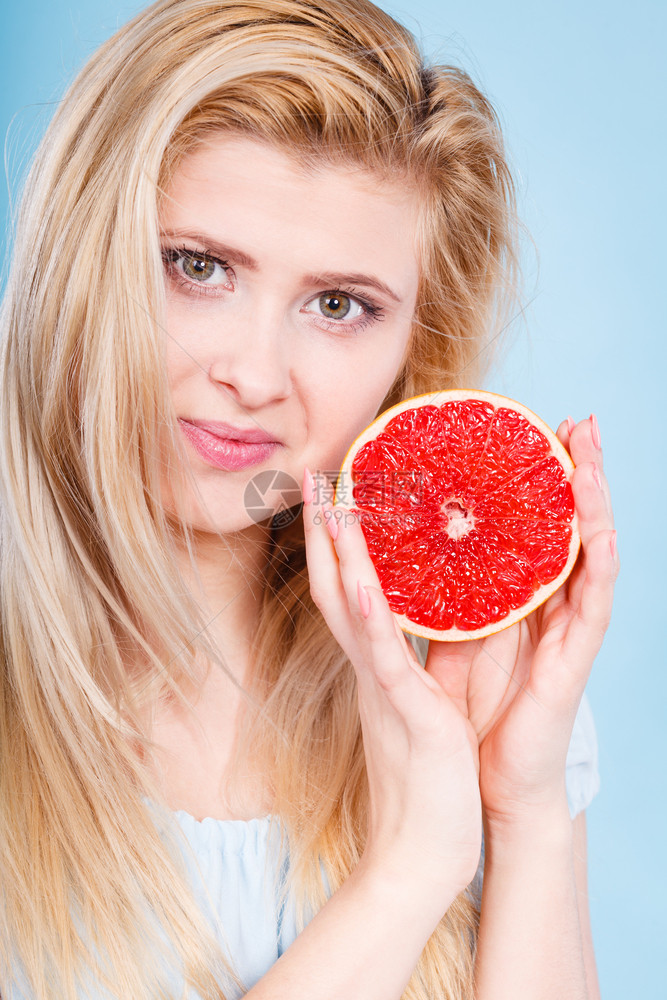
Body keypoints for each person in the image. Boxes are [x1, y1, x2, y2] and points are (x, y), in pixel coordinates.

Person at [0, 0, 617, 997]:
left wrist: (524, 802)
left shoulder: (461, 683)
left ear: (408, 349)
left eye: (338, 306)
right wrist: (410, 872)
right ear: (84, 261)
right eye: (198, 268)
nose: (254, 371)